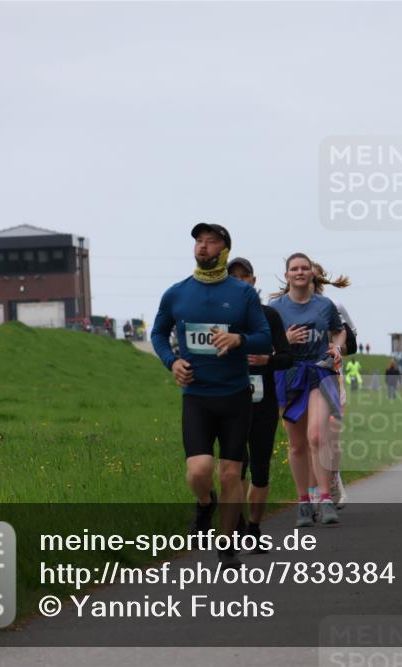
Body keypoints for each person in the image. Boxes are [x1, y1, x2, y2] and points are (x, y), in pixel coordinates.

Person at [151, 223, 272, 568]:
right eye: (198, 242)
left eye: (211, 242)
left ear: (225, 249)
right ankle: (205, 503)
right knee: (199, 470)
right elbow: (159, 333)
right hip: (197, 395)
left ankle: (227, 544)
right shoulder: (176, 293)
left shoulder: (243, 294)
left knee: (231, 473)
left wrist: (240, 340)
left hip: (235, 395)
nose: (202, 247)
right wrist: (171, 362)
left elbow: (264, 336)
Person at [268, 253, 346, 526]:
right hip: (289, 375)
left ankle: (324, 499)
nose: (300, 272)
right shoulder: (275, 308)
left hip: (319, 372)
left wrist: (336, 346)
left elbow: (339, 331)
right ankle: (303, 502)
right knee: (298, 443)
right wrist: (285, 340)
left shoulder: (324, 306)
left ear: (312, 274)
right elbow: (264, 343)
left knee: (316, 435)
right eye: (294, 269)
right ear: (287, 275)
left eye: (304, 268)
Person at [226, 257, 292, 553]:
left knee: (261, 469)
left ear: (253, 281)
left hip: (264, 402)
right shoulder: (220, 318)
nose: (240, 282)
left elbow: (288, 357)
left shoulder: (269, 316)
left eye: (245, 277)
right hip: (231, 401)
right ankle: (239, 527)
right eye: (234, 277)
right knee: (235, 469)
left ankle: (254, 527)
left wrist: (268, 360)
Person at [309, 262, 355, 511]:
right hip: (302, 380)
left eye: (313, 277)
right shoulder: (288, 308)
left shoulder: (333, 307)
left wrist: (335, 348)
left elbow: (352, 345)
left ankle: (333, 475)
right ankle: (315, 489)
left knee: (332, 434)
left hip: (331, 377)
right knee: (312, 436)